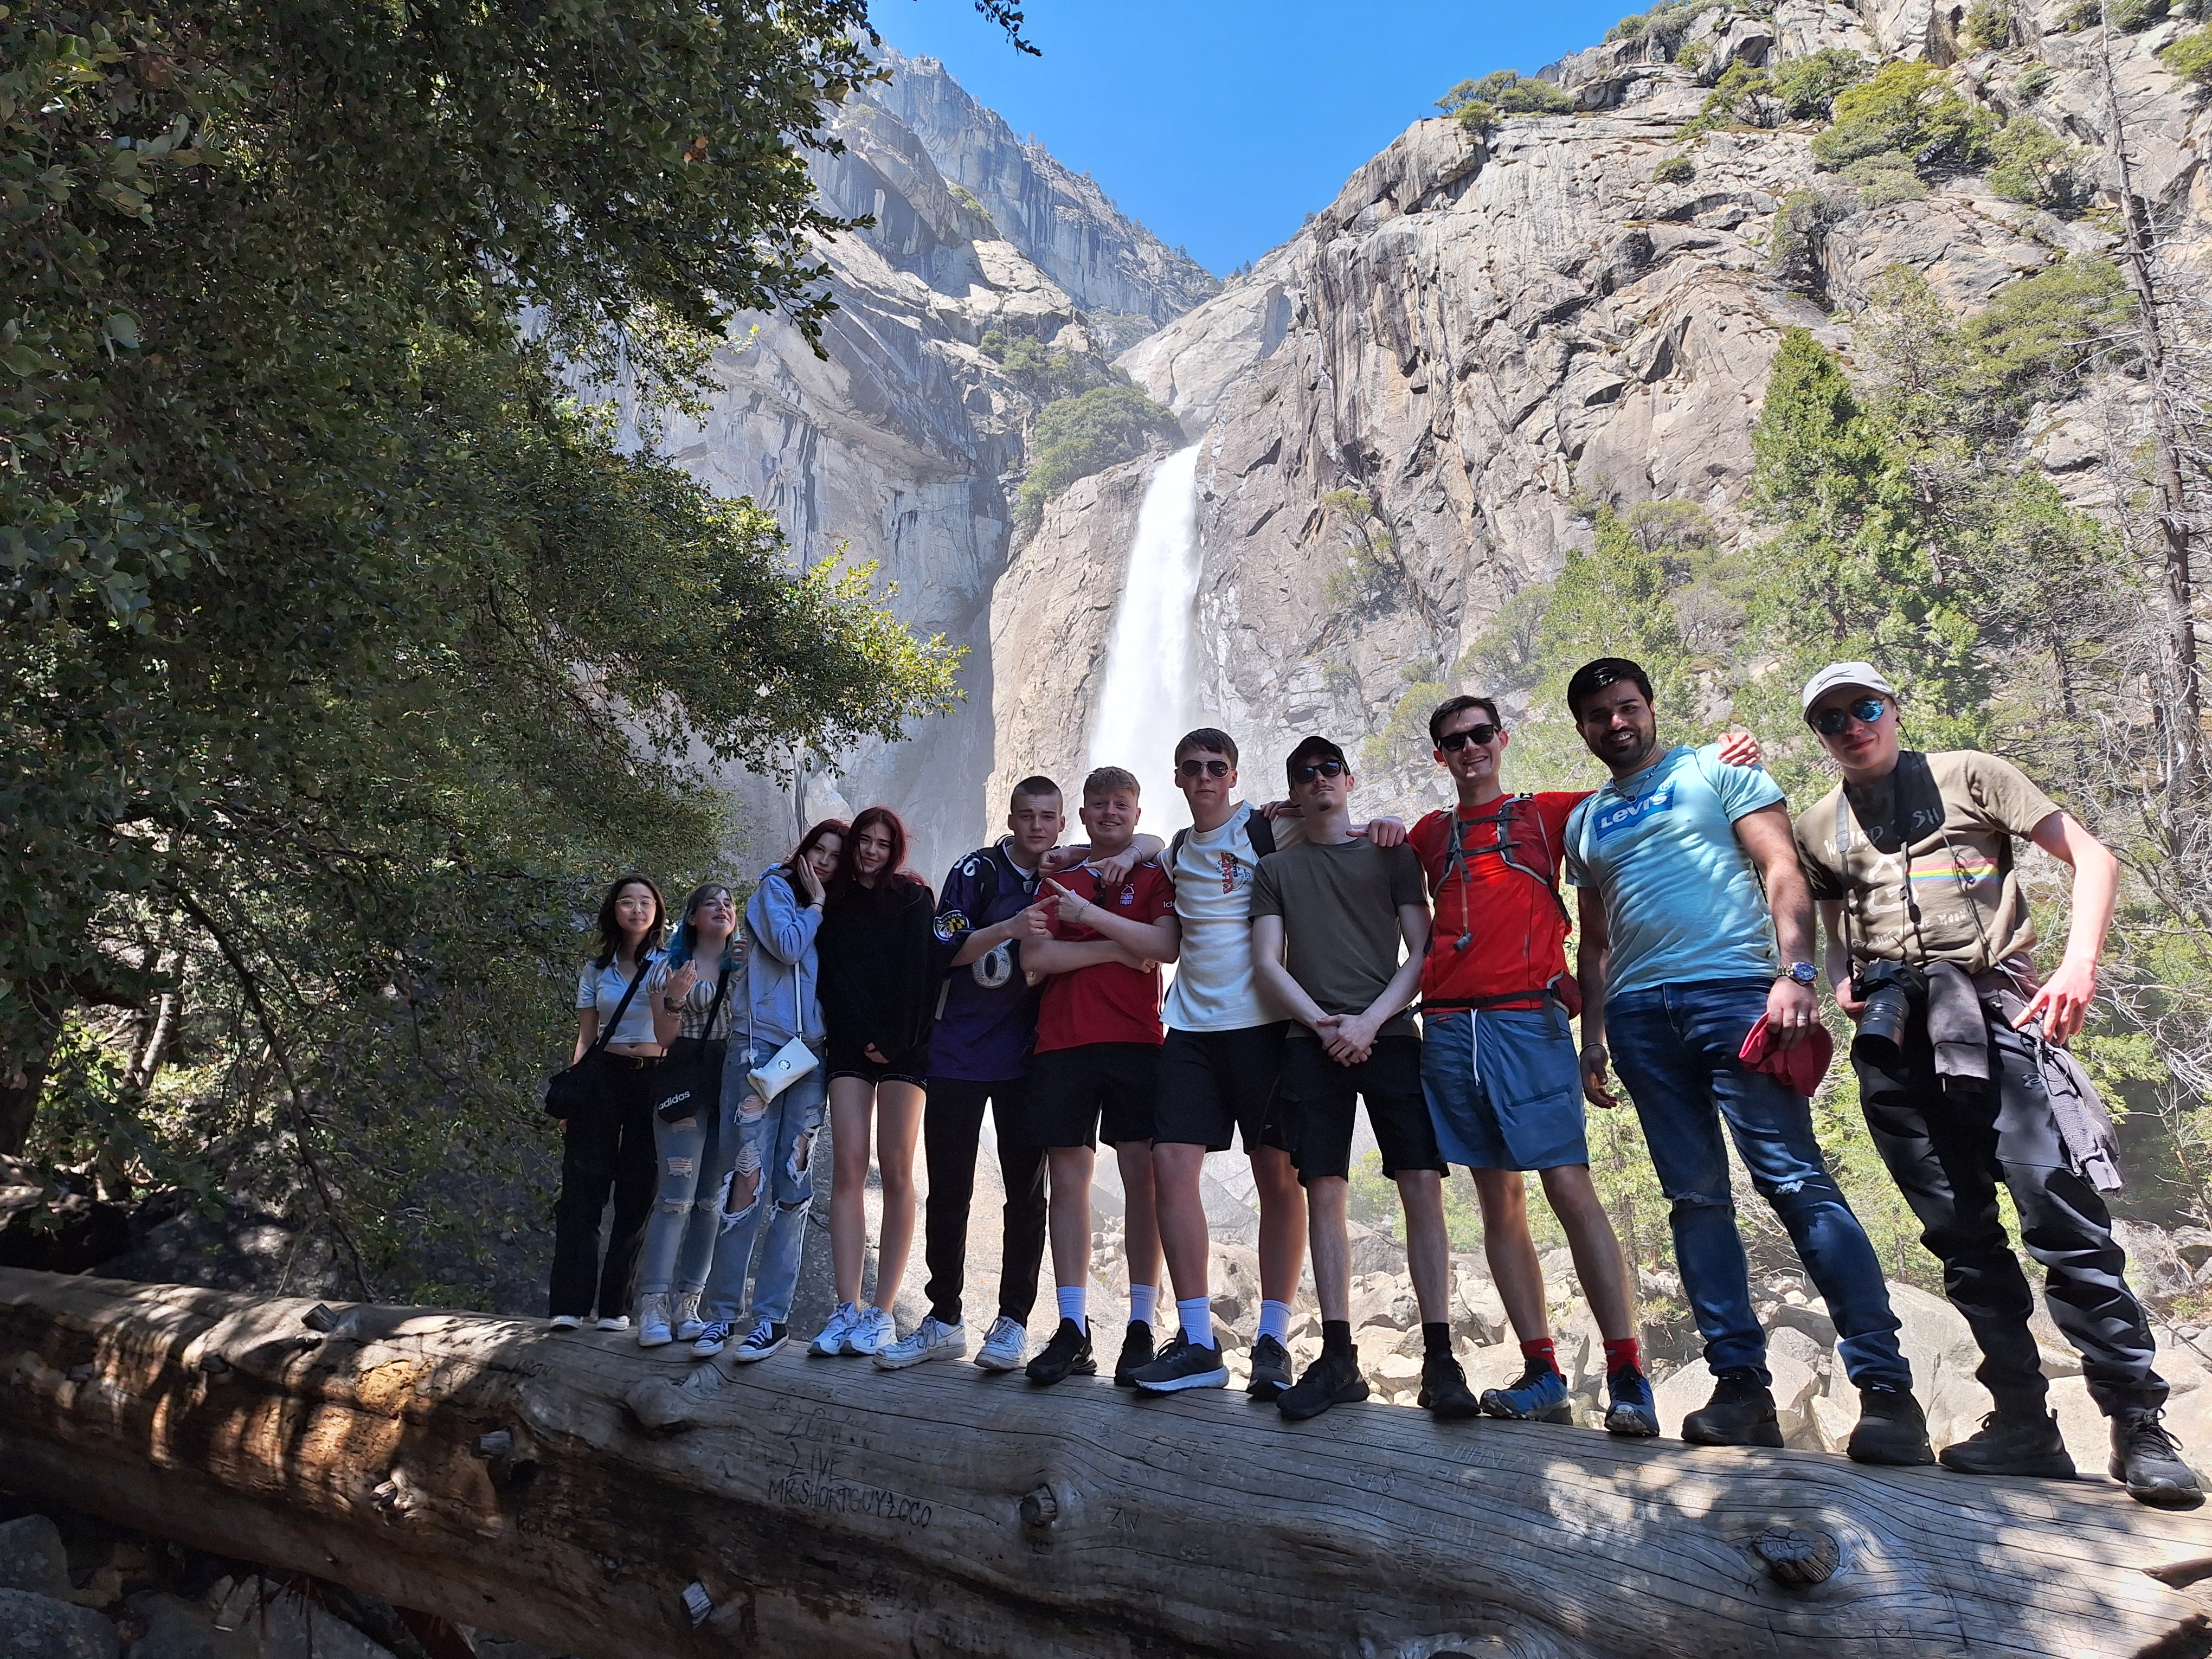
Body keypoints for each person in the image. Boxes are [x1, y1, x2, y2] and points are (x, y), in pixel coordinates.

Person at [1794, 662, 2201, 1506]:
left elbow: (2093, 857)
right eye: (1832, 721)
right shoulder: (1819, 823)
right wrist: (1840, 974)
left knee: (2062, 1218)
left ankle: (2137, 1424)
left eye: (1865, 708)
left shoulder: (1972, 775)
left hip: (1998, 1017)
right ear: (1821, 738)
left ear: (1892, 709)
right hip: (1896, 1041)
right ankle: (2025, 1424)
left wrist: (2077, 968)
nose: (1852, 727)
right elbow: (1827, 915)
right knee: (1962, 1236)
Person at [1565, 657, 1931, 1464]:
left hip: (1736, 996)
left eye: (1627, 707)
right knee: (1694, 1201)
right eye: (1599, 716)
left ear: (1650, 708)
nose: (1616, 723)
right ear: (1584, 730)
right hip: (1636, 1017)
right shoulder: (1586, 822)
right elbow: (1592, 944)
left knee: (1795, 1180)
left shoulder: (1717, 768)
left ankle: (1887, 1391)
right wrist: (1590, 1038)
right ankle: (1741, 1392)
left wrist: (1796, 972)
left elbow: (1782, 869)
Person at [1409, 695, 1656, 1435]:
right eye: (1454, 740)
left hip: (1526, 1019)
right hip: (1453, 1030)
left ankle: (1627, 1372)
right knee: (1498, 1201)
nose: (1470, 748)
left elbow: (1635, 789)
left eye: (1481, 734)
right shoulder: (1426, 835)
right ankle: (1542, 1369)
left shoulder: (1550, 815)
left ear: (1502, 739)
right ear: (1440, 755)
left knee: (1569, 1188)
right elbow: (1325, 832)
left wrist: (1723, 757)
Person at [1247, 736, 1477, 1421]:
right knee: (1324, 1189)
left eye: (1329, 771)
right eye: (1305, 774)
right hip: (1310, 1041)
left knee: (1421, 1183)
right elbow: (1268, 962)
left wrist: (1370, 1022)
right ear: (1293, 791)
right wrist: (1324, 1025)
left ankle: (1441, 1359)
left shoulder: (1392, 853)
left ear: (1349, 780)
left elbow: (1423, 949)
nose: (1320, 781)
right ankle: (1339, 1356)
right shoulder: (1277, 870)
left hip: (1392, 1035)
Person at [1123, 728, 1310, 1396]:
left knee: (1278, 1180)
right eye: (1192, 769)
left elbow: (1331, 824)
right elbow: (1148, 859)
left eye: (1216, 767)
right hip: (1191, 1029)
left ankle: (1272, 1338)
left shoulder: (1267, 831)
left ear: (1233, 775)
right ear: (1177, 779)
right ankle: (1199, 1341)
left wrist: (1382, 823)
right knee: (1168, 1166)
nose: (1204, 777)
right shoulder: (1175, 850)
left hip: (1263, 1027)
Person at [874, 777, 1059, 1374]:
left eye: (1048, 817)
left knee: (1027, 1196)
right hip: (957, 1054)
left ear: (1062, 823)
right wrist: (1009, 928)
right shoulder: (976, 872)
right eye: (1027, 815)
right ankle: (944, 1318)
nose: (1037, 826)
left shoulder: (1069, 875)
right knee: (951, 1190)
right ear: (1010, 818)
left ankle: (1012, 1323)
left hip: (1031, 1060)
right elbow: (942, 951)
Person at [1014, 767, 1179, 1386]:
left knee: (1144, 1179)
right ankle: (1073, 1326)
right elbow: (1036, 956)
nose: (1110, 813)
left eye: (1121, 804)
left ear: (1137, 813)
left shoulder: (1155, 870)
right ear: (1083, 814)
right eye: (1099, 804)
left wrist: (1089, 921)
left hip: (1138, 1041)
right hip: (1063, 1041)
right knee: (1069, 1181)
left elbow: (1165, 946)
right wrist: (1115, 948)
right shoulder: (1059, 878)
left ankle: (1141, 1324)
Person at [691, 820, 844, 1362]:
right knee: (745, 1182)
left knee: (792, 1186)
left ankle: (772, 1319)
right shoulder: (774, 889)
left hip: (809, 1057)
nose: (824, 862)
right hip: (757, 1052)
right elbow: (784, 945)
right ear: (802, 853)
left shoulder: (842, 909)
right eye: (817, 851)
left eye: (834, 856)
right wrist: (818, 903)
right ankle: (720, 1316)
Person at [811, 806, 940, 1359]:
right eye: (864, 841)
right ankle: (847, 1307)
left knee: (897, 1170)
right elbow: (832, 979)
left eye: (882, 844)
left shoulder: (913, 898)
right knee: (847, 1166)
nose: (870, 851)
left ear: (896, 850)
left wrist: (892, 1038)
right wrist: (863, 1036)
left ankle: (883, 1313)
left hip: (907, 1046)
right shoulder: (833, 906)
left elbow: (922, 975)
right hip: (849, 1046)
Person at [549, 874, 667, 1333]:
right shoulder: (596, 970)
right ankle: (568, 1306)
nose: (637, 910)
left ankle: (616, 1307)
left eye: (645, 902)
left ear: (657, 910)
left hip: (652, 1081)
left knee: (638, 1194)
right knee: (582, 1192)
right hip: (602, 1079)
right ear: (613, 911)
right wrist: (571, 1099)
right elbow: (586, 1038)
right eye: (626, 902)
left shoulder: (668, 965)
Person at [633, 882, 745, 1347]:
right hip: (684, 1079)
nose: (722, 909)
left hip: (732, 1080)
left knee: (710, 1201)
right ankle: (652, 1305)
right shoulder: (668, 968)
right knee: (675, 1196)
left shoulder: (747, 968)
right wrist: (678, 997)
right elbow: (662, 1038)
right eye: (711, 904)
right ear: (694, 917)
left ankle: (688, 1303)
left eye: (729, 904)